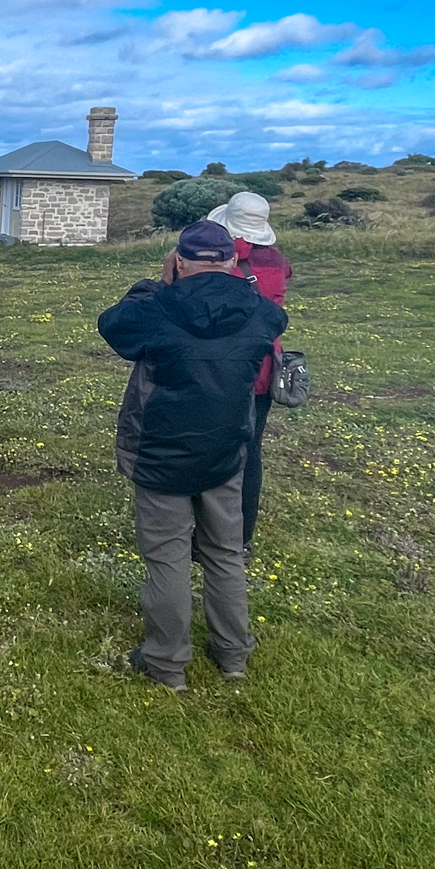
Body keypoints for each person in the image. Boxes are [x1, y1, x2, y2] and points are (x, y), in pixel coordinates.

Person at [97, 220, 287, 691]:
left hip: (160, 449)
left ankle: (167, 662)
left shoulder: (157, 306)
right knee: (225, 552)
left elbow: (113, 326)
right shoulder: (260, 312)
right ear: (230, 260)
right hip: (226, 447)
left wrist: (159, 284)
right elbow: (272, 320)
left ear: (179, 260)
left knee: (167, 556)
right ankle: (233, 653)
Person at [208, 191, 294, 558]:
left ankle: (212, 530)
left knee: (214, 444)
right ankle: (242, 534)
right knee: (251, 449)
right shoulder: (277, 261)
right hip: (263, 363)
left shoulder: (224, 259)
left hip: (226, 365)